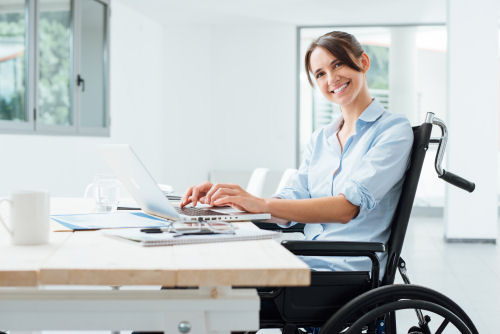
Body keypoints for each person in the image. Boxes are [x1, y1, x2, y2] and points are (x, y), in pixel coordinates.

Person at [180, 31, 413, 277]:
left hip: (344, 273)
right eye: (320, 74)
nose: (332, 79)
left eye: (339, 64)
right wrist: (230, 203)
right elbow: (295, 195)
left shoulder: (393, 130)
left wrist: (259, 204)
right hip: (305, 260)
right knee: (196, 268)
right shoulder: (321, 138)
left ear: (363, 62)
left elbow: (346, 209)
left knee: (207, 279)